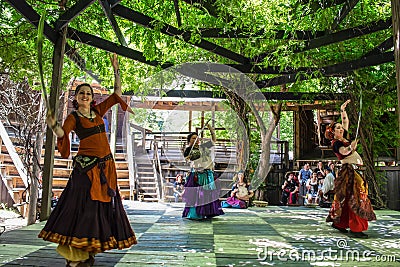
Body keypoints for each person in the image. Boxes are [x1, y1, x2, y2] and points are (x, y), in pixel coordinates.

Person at [38, 54, 137, 266]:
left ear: (92, 98)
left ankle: (88, 251)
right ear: (76, 97)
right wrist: (53, 124)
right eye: (82, 93)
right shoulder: (74, 117)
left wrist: (116, 69)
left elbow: (117, 93)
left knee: (99, 209)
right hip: (86, 169)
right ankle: (75, 254)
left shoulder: (98, 111)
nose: (85, 95)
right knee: (83, 208)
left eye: (88, 93)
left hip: (106, 168)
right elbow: (62, 135)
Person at [324, 99, 376, 238]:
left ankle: (339, 223)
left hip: (354, 171)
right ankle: (356, 227)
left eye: (341, 128)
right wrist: (350, 148)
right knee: (357, 197)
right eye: (338, 128)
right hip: (350, 171)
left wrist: (342, 110)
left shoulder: (344, 137)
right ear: (333, 133)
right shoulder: (336, 143)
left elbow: (345, 121)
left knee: (347, 198)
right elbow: (344, 151)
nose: (341, 129)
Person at [181, 123, 224, 219]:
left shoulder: (204, 147)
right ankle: (195, 214)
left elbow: (213, 140)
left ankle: (208, 212)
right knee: (195, 195)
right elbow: (189, 158)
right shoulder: (188, 150)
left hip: (207, 173)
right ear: (189, 140)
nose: (196, 139)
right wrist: (189, 156)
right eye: (193, 138)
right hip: (196, 174)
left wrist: (210, 129)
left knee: (208, 194)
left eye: (197, 137)